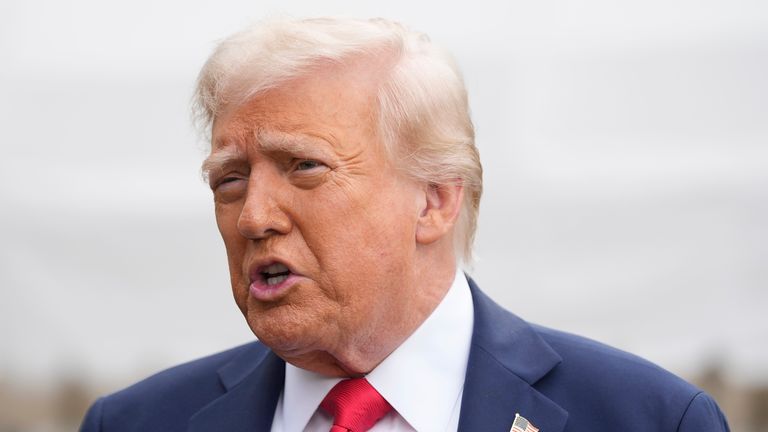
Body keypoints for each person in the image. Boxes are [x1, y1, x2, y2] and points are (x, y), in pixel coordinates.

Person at [80, 17, 730, 432]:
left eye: (304, 167)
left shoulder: (646, 419)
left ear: (436, 201)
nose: (253, 216)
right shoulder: (136, 423)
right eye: (230, 179)